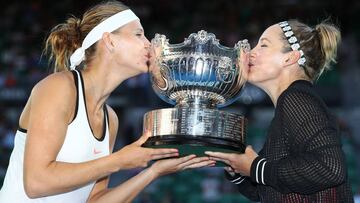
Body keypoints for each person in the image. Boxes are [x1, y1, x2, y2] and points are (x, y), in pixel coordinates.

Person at [0, 1, 215, 202]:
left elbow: (95, 199)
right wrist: (119, 161)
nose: (148, 44)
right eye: (139, 34)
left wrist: (153, 171)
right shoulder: (59, 87)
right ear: (109, 41)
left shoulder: (110, 119)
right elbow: (36, 182)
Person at [205, 19, 354, 202]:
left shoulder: (296, 99)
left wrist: (255, 167)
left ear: (289, 57)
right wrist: (236, 166)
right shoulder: (289, 105)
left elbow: (330, 168)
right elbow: (266, 190)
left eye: (263, 45)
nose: (251, 53)